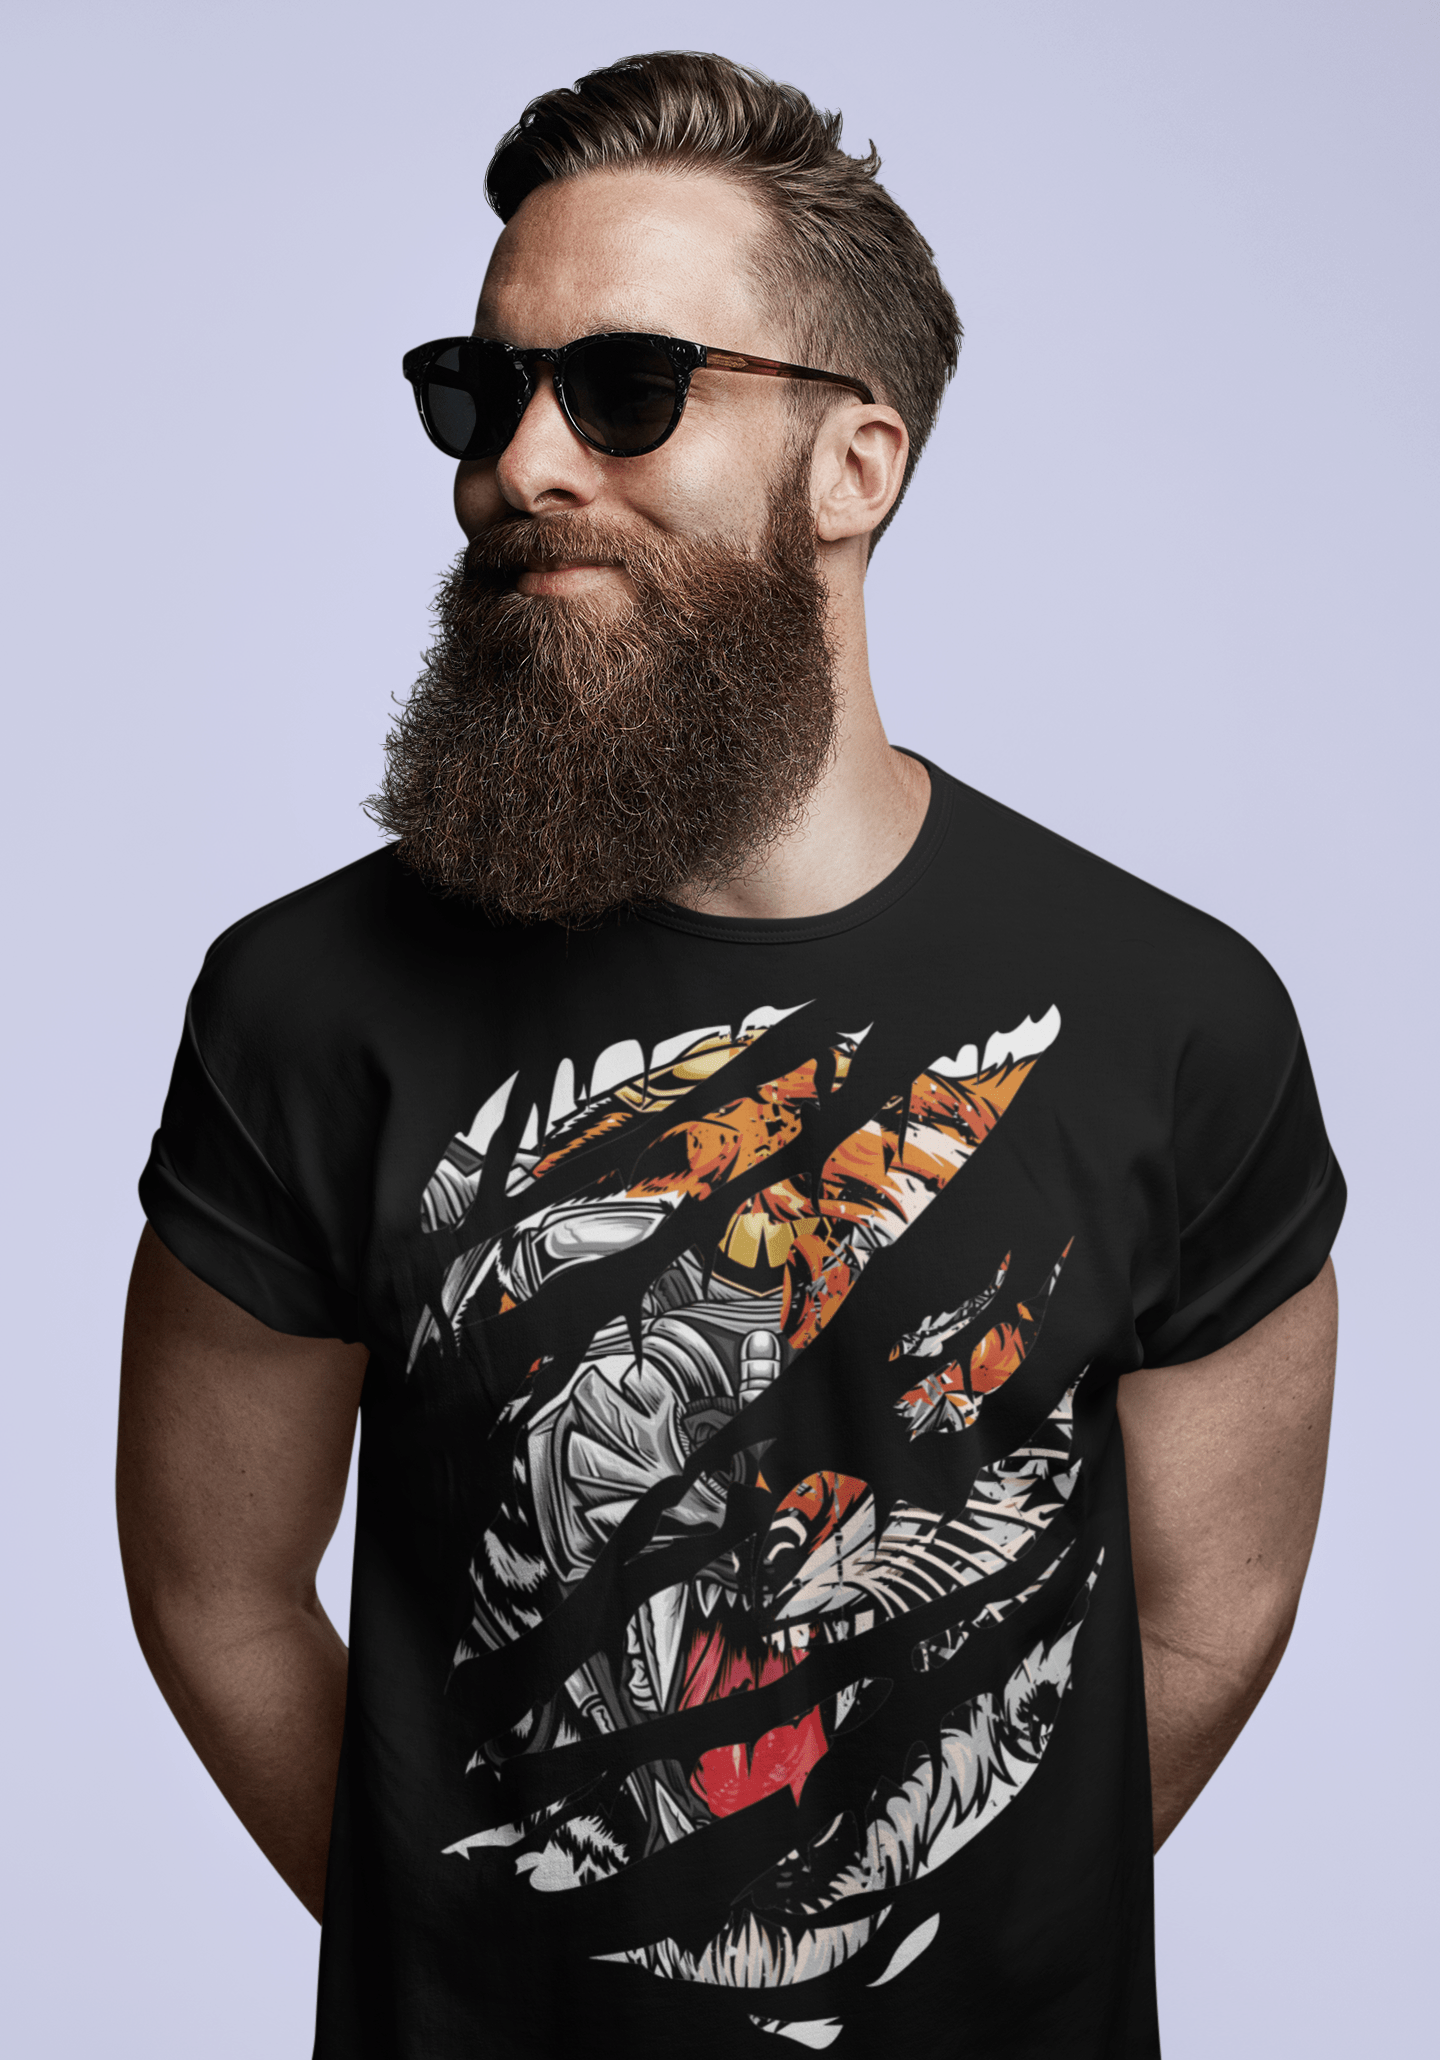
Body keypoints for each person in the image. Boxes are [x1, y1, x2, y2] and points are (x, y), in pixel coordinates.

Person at [117, 50, 1343, 2060]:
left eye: (625, 388)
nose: (518, 463)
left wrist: (913, 1927)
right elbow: (214, 1583)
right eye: (485, 389)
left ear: (856, 465)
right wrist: (494, 1958)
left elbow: (1209, 1614)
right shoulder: (306, 1005)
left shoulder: (1178, 1017)